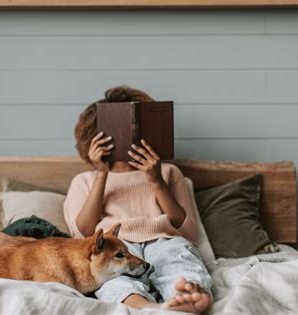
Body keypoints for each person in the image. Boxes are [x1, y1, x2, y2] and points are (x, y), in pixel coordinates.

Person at [63, 86, 212, 313]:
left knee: (180, 262)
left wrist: (155, 180)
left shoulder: (169, 172)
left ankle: (185, 302)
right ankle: (144, 307)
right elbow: (83, 234)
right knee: (111, 277)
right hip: (116, 245)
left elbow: (188, 231)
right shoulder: (85, 180)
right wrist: (101, 173)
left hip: (164, 240)